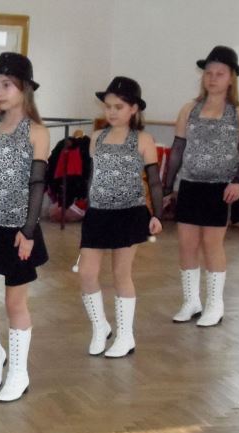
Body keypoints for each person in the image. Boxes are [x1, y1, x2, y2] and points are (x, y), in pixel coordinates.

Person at [0, 52, 50, 402]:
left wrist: (28, 231)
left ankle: (18, 371)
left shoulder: (38, 132)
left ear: (24, 89)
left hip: (20, 230)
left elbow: (37, 184)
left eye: (6, 85)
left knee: (16, 304)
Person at [164, 46, 239, 327]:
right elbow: (177, 150)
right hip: (190, 185)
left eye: (220, 74)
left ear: (231, 79)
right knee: (187, 245)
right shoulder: (189, 109)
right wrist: (167, 188)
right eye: (209, 73)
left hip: (220, 188)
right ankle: (191, 301)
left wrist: (238, 181)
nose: (213, 78)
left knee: (212, 244)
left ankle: (215, 304)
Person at [78, 77, 163, 358]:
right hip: (98, 214)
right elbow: (93, 178)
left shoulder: (143, 139)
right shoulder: (96, 138)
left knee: (121, 274)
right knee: (87, 273)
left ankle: (125, 335)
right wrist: (88, 210)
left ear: (134, 109)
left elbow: (154, 181)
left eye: (119, 107)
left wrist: (157, 214)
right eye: (108, 106)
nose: (112, 112)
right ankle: (100, 326)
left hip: (129, 214)